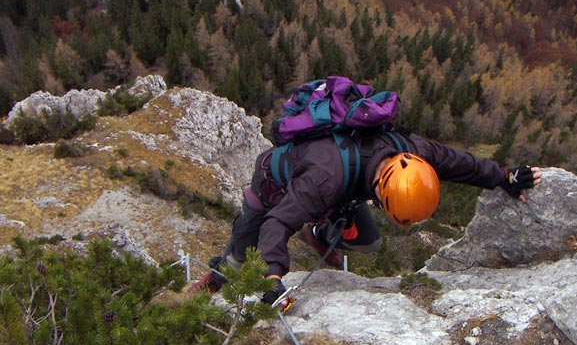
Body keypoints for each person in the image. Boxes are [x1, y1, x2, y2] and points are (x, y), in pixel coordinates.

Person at [191, 129, 542, 304]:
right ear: (382, 193)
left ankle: (316, 231)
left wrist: (505, 177)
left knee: (369, 240)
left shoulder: (411, 152)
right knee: (239, 260)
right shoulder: (323, 180)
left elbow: (458, 163)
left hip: (344, 185)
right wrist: (272, 276)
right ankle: (214, 279)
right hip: (276, 185)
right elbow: (277, 223)